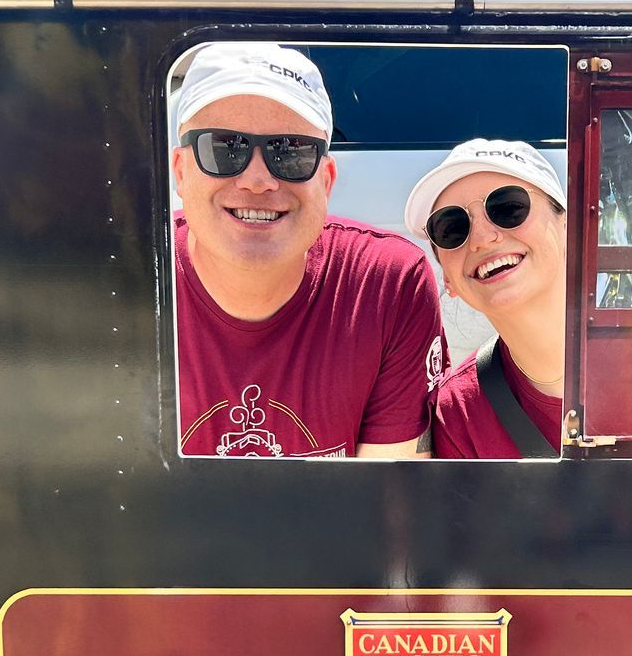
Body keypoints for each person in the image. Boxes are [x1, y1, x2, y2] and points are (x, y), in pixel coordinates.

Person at [170, 43, 444, 458]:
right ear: (180, 171)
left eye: (290, 151)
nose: (256, 179)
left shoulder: (388, 285)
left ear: (327, 181)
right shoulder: (125, 283)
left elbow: (386, 500)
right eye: (224, 147)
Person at [403, 140, 567, 459]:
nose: (480, 238)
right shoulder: (458, 413)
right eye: (451, 228)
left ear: (568, 229)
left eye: (508, 208)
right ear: (447, 278)